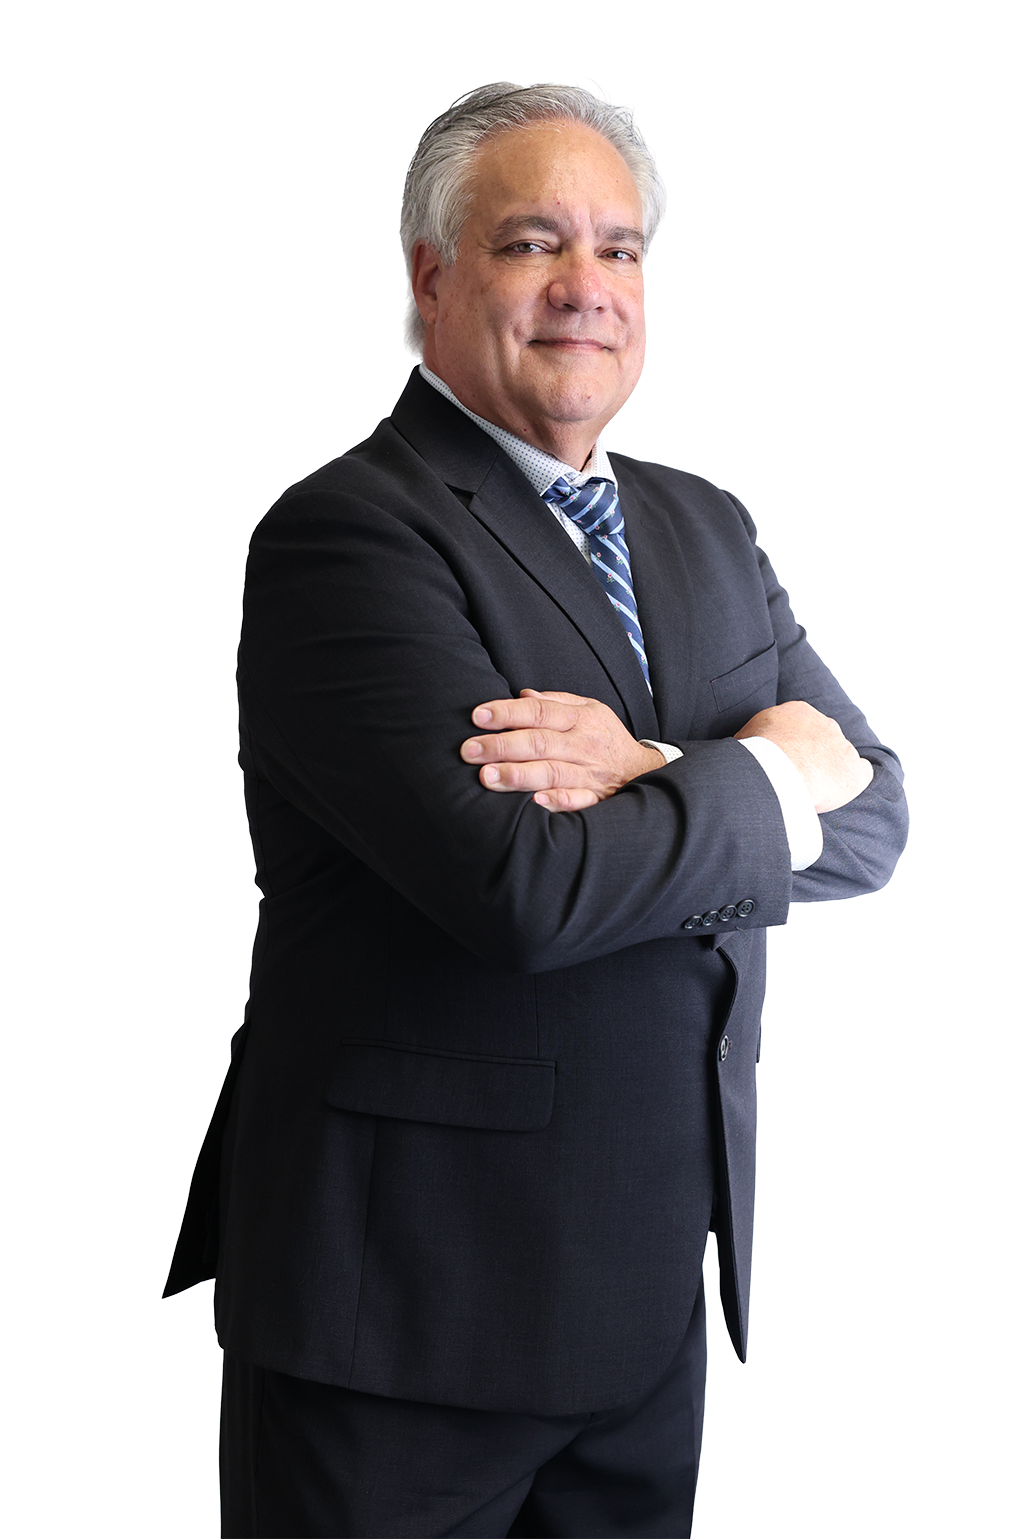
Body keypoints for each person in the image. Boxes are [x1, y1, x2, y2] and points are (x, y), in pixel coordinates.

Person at [164, 82, 908, 1537]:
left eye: (620, 251)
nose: (587, 290)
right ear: (433, 278)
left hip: (644, 1307)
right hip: (403, 1320)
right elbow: (521, 891)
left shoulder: (706, 525)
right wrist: (757, 767)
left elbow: (876, 824)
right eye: (531, 245)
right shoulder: (346, 536)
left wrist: (641, 769)